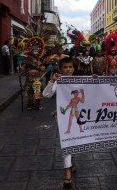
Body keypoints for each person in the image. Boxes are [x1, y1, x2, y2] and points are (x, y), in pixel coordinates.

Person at [43, 57, 77, 188]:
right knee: (67, 141)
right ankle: (67, 170)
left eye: (70, 67)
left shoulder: (78, 81)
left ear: (73, 68)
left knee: (75, 140)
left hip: (78, 116)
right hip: (63, 118)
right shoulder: (59, 82)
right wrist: (52, 80)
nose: (68, 69)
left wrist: (96, 80)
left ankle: (71, 161)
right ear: (60, 69)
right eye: (65, 67)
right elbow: (46, 95)